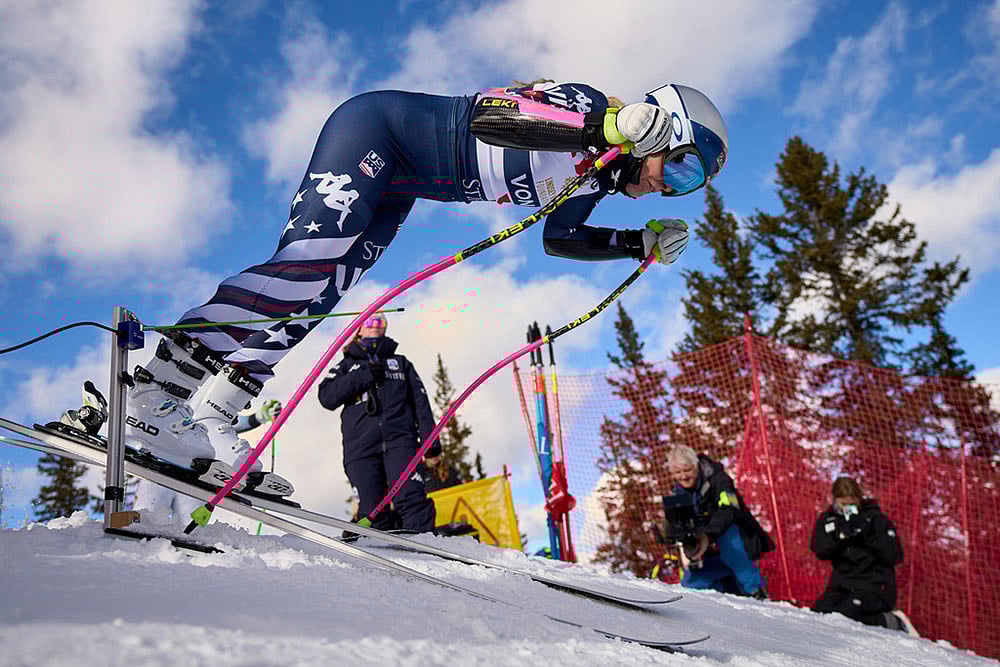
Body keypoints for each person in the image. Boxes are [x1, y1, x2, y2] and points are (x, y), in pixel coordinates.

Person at [123, 80, 729, 495]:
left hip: (403, 185)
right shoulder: (590, 107)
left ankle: (215, 415)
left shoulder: (595, 181)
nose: (670, 188)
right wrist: (605, 122)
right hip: (376, 132)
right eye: (678, 167)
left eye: (689, 185)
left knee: (324, 292)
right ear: (657, 130)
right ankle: (154, 392)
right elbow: (493, 115)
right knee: (307, 264)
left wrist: (636, 244)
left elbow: (558, 239)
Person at [316, 313, 437, 532]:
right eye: (369, 321)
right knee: (371, 506)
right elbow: (326, 397)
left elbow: (421, 402)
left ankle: (425, 545)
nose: (375, 326)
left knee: (410, 495)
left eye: (380, 322)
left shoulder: (401, 363)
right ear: (358, 329)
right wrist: (364, 376)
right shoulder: (346, 365)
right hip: (360, 447)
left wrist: (431, 442)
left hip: (401, 441)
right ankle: (380, 551)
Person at [132, 399, 283, 521]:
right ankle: (138, 533)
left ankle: (188, 545)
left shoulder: (209, 396)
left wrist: (257, 418)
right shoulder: (174, 394)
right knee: (150, 511)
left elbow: (218, 425)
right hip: (164, 462)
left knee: (189, 517)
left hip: (196, 469)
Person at [810, 476, 918, 635]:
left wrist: (868, 535)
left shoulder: (875, 519)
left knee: (844, 617)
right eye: (844, 504)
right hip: (842, 586)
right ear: (835, 500)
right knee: (819, 615)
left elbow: (895, 555)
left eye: (852, 504)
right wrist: (840, 538)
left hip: (875, 586)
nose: (848, 508)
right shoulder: (829, 520)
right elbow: (820, 550)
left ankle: (892, 622)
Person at [664, 445, 773, 598]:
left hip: (735, 540)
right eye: (677, 472)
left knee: (729, 537)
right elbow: (677, 522)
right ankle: (709, 595)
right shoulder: (678, 493)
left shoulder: (718, 479)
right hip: (707, 551)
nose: (683, 476)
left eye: (687, 470)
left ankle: (755, 590)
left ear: (696, 466)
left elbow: (729, 510)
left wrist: (707, 535)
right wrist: (672, 534)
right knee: (692, 583)